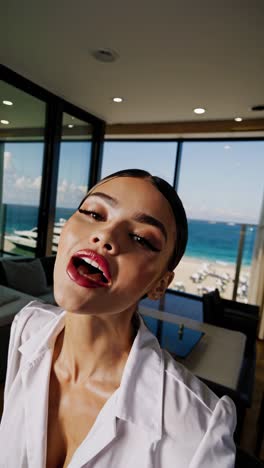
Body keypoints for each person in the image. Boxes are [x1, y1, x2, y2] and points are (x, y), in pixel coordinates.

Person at [0, 169, 236, 467]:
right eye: (95, 213)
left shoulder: (198, 427)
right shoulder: (27, 328)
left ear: (160, 284)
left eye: (140, 238)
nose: (106, 236)